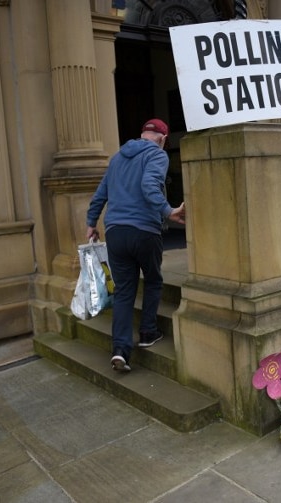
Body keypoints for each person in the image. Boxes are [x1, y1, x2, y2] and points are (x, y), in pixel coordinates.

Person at [86, 118, 185, 372]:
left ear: (142, 135)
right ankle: (148, 333)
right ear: (162, 139)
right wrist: (168, 211)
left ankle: (120, 350)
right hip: (144, 231)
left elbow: (100, 195)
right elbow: (149, 185)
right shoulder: (157, 155)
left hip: (116, 233)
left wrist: (91, 223)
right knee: (152, 280)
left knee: (124, 291)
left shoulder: (117, 158)